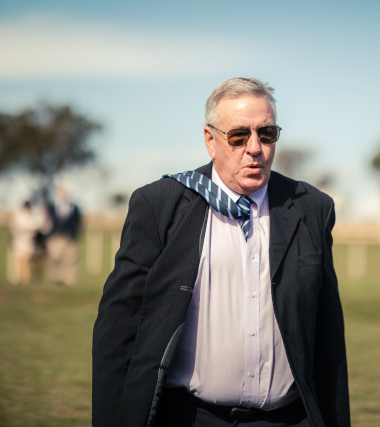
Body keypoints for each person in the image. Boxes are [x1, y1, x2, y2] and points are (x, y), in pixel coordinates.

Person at [92, 77, 350, 427]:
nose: (255, 148)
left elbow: (328, 338)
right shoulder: (160, 204)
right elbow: (118, 327)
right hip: (189, 418)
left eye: (267, 133)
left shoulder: (311, 208)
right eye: (239, 136)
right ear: (210, 140)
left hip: (288, 419)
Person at [47, 187, 82, 285]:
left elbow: (78, 223)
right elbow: (49, 222)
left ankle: (70, 279)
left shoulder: (74, 208)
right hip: (56, 237)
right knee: (55, 258)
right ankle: (56, 277)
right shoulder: (53, 207)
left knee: (71, 260)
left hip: (70, 238)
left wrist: (72, 234)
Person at [9, 200, 42, 285]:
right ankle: (20, 277)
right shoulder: (18, 217)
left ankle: (25, 278)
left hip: (28, 242)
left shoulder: (31, 218)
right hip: (18, 241)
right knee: (19, 260)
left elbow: (34, 229)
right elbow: (14, 229)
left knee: (25, 260)